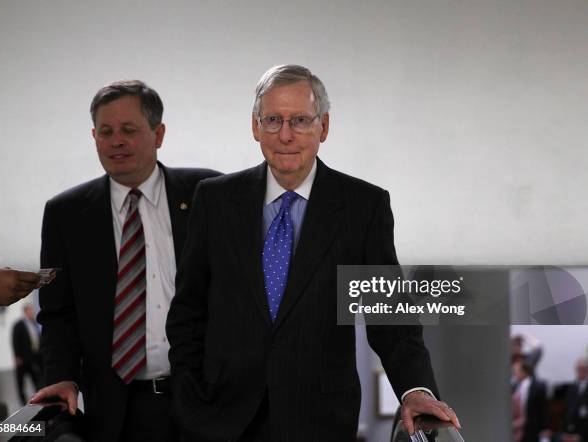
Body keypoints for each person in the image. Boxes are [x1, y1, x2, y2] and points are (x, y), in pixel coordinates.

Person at [166, 64, 460, 441]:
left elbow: (390, 319)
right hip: (219, 419)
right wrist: (189, 399)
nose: (285, 135)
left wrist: (415, 389)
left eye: (301, 120)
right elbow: (188, 311)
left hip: (319, 420)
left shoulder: (362, 207)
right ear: (255, 126)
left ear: (323, 127)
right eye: (273, 120)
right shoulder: (215, 199)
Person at [30, 80, 220, 442]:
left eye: (129, 130)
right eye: (106, 131)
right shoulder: (65, 214)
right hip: (114, 413)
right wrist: (60, 376)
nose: (116, 141)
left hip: (203, 401)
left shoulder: (208, 194)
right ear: (94, 136)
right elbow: (57, 313)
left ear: (158, 133)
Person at [12, 303, 43, 404]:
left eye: (32, 311)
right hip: (22, 358)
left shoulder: (34, 323)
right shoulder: (18, 325)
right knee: (20, 382)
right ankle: (22, 402)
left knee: (37, 379)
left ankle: (38, 399)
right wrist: (17, 356)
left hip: (34, 357)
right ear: (25, 312)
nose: (32, 313)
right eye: (30, 311)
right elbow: (15, 341)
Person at [511, 358, 547, 442]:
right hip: (518, 429)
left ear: (524, 371)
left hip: (532, 428)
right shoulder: (515, 387)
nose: (514, 374)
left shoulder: (537, 387)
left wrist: (544, 428)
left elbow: (543, 409)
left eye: (516, 371)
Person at [564, 358, 588, 440]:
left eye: (583, 369)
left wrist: (580, 435)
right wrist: (567, 432)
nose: (580, 372)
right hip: (572, 431)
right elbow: (567, 410)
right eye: (578, 369)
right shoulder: (572, 387)